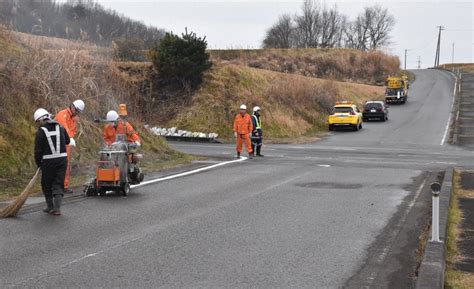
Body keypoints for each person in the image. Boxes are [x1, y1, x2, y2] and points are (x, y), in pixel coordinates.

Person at [34, 108, 70, 216]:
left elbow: (38, 151)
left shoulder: (41, 131)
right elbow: (67, 141)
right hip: (62, 160)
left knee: (46, 184)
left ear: (40, 120)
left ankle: (50, 207)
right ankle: (57, 209)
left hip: (48, 162)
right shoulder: (61, 127)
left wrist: (39, 164)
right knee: (58, 183)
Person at [55, 99, 85, 194]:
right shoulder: (62, 114)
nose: (77, 113)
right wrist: (69, 138)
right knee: (57, 164)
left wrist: (71, 138)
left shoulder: (73, 119)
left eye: (78, 112)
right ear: (72, 107)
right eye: (77, 111)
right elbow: (63, 128)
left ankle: (64, 185)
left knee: (66, 165)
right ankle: (55, 186)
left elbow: (73, 130)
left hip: (67, 144)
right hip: (58, 143)